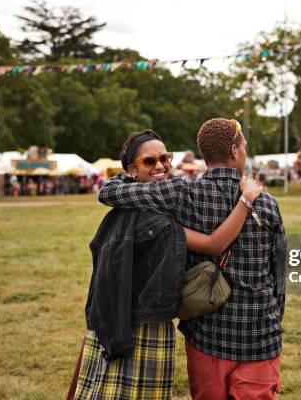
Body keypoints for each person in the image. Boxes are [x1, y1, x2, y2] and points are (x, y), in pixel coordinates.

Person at [98, 118, 287, 400]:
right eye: (244, 146)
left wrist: (130, 172)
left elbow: (109, 192)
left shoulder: (181, 193)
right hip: (259, 334)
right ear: (235, 152)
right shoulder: (266, 203)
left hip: (206, 333)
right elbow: (279, 273)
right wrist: (274, 319)